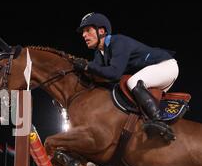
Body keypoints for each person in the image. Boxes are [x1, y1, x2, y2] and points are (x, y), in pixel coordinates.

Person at [75, 12, 178, 142]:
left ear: (101, 30)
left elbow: (114, 74)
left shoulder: (118, 41)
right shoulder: (99, 54)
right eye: (83, 32)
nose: (84, 35)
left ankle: (159, 123)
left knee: (132, 82)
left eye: (87, 30)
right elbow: (95, 77)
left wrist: (87, 66)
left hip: (165, 66)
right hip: (153, 74)